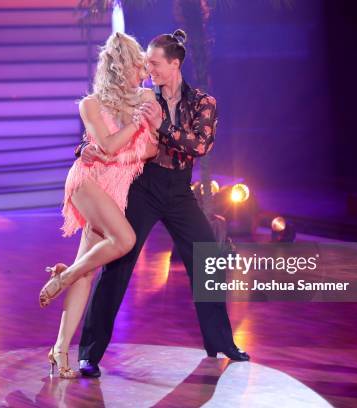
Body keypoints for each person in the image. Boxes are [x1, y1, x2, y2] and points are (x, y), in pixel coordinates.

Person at [77, 29, 250, 378]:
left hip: (179, 192)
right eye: (146, 64)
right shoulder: (139, 97)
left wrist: (163, 126)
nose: (148, 69)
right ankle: (90, 353)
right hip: (144, 187)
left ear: (175, 64)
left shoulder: (203, 103)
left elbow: (200, 145)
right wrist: (83, 149)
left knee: (208, 260)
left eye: (154, 63)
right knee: (119, 263)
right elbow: (100, 131)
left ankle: (221, 343)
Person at [37, 32, 159, 379]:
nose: (144, 74)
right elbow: (105, 146)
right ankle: (67, 276)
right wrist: (127, 134)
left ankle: (60, 349)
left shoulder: (146, 98)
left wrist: (120, 145)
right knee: (125, 240)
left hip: (115, 189)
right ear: (123, 68)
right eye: (139, 67)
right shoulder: (89, 104)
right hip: (87, 183)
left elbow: (150, 149)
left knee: (87, 270)